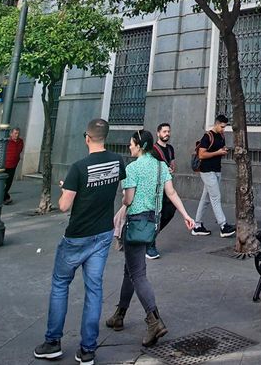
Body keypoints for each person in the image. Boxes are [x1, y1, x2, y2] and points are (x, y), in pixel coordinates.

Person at [35, 119, 126, 363]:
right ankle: (88, 350)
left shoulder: (78, 167)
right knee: (94, 290)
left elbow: (64, 206)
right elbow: (125, 192)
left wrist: (66, 189)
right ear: (105, 137)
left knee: (60, 284)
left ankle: (53, 341)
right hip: (103, 234)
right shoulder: (118, 161)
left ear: (87, 137)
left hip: (77, 236)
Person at [102, 128, 198, 348]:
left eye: (131, 144)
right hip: (151, 225)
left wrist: (122, 201)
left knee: (137, 273)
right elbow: (171, 193)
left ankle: (154, 320)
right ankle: (119, 314)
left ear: (139, 146)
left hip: (135, 224)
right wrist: (186, 216)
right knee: (131, 270)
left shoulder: (132, 168)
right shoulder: (160, 166)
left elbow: (128, 199)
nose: (129, 147)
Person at [191, 113, 235, 238]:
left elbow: (219, 150)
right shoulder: (207, 136)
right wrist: (217, 152)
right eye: (221, 126)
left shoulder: (221, 136)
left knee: (205, 199)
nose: (223, 129)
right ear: (216, 124)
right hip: (207, 171)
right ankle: (223, 226)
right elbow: (201, 155)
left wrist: (223, 151)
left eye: (224, 127)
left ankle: (197, 225)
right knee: (216, 197)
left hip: (216, 170)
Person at [147, 122, 175, 259]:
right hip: (155, 187)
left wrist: (170, 169)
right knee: (155, 214)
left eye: (168, 131)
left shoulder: (170, 149)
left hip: (167, 185)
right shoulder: (153, 150)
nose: (167, 134)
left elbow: (173, 164)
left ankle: (150, 236)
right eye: (164, 132)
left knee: (169, 211)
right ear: (158, 133)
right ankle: (150, 243)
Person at [4, 127, 26, 205]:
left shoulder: (20, 142)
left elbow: (19, 150)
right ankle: (5, 197)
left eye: (18, 133)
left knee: (9, 182)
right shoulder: (7, 142)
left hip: (13, 165)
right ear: (11, 134)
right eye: (15, 133)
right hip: (5, 164)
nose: (17, 135)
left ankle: (5, 197)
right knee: (3, 182)